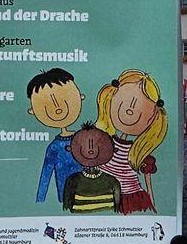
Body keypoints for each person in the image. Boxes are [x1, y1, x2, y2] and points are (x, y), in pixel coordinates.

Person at [96, 70, 169, 214]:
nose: (129, 110)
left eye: (140, 106)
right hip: (103, 195)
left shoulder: (138, 152)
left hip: (128, 198)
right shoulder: (103, 142)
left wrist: (152, 202)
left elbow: (148, 181)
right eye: (123, 101)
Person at [26, 68, 85, 205]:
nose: (58, 107)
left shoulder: (86, 137)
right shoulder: (54, 147)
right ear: (33, 111)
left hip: (92, 194)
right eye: (45, 104)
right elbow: (45, 175)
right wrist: (40, 200)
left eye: (66, 98)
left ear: (80, 96)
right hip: (66, 199)